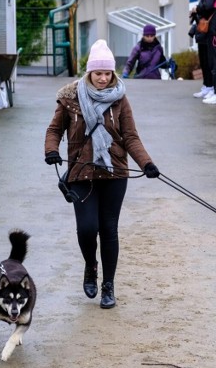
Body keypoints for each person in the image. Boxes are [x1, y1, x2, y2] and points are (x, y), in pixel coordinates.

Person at [45, 39, 160, 309]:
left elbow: (130, 136)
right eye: (98, 73)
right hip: (81, 171)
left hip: (114, 172)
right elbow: (54, 131)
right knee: (87, 229)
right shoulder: (70, 97)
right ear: (89, 73)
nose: (103, 78)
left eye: (107, 74)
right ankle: (90, 266)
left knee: (108, 229)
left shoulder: (120, 99)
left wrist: (146, 164)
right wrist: (51, 150)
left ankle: (108, 285)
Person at [190, 0, 215, 99]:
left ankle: (211, 87)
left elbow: (205, 17)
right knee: (203, 62)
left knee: (208, 62)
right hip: (201, 35)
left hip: (206, 35)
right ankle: (206, 86)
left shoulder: (207, 2)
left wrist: (196, 12)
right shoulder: (202, 1)